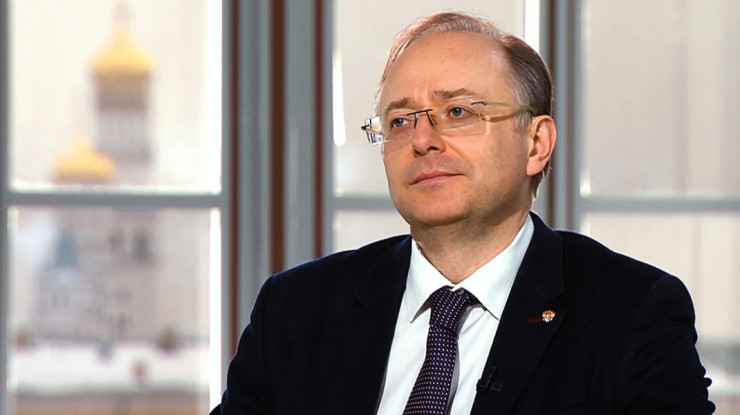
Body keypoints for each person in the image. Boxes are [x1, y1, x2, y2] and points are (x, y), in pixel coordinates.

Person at [212, 11, 714, 414]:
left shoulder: (631, 314)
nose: (422, 140)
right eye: (400, 121)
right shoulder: (295, 311)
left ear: (536, 144)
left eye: (458, 112)